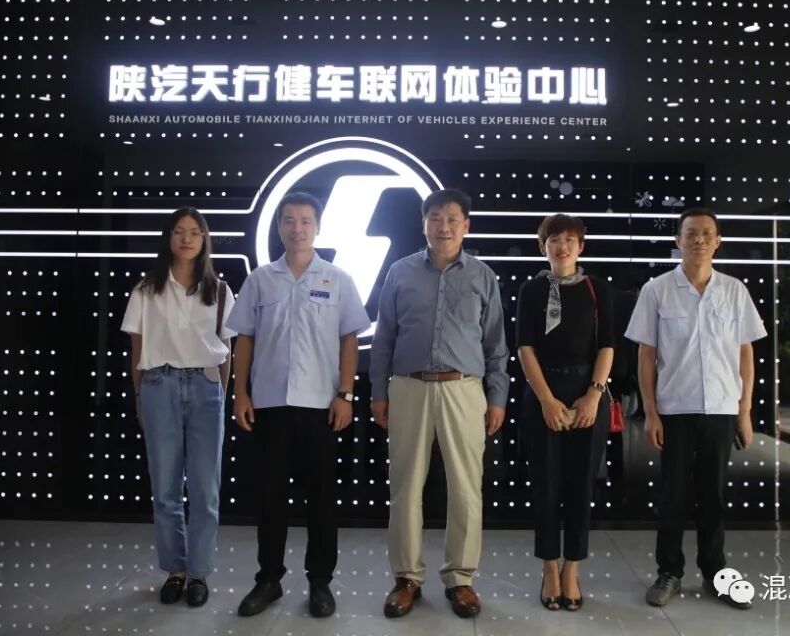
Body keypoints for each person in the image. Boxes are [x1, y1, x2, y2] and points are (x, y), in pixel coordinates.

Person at [228, 191, 369, 619]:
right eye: (289, 221)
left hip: (321, 407)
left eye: (306, 221)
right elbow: (244, 339)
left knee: (321, 501)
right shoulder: (260, 279)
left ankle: (320, 582)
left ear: (318, 228)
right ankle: (268, 579)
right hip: (269, 405)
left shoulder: (337, 279)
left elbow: (349, 341)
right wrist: (240, 393)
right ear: (279, 227)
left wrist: (345, 395)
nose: (298, 228)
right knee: (270, 499)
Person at [369, 188, 508, 619]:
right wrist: (378, 392)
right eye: (435, 218)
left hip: (463, 390)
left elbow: (496, 346)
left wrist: (497, 397)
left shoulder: (483, 276)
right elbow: (384, 338)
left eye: (451, 219)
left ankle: (460, 578)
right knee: (405, 487)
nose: (443, 227)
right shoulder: (400, 272)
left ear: (466, 225)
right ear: (423, 223)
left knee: (465, 488)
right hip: (408, 388)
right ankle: (406, 578)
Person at [624, 207, 767, 609]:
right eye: (691, 233)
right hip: (675, 409)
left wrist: (744, 411)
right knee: (673, 495)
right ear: (678, 241)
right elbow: (646, 355)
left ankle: (715, 572)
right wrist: (651, 412)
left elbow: (745, 354)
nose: (699, 240)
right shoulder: (657, 290)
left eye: (707, 234)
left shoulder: (734, 291)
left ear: (717, 241)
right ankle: (669, 571)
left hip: (721, 408)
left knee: (713, 496)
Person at [121, 206, 235, 608]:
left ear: (204, 240)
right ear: (168, 238)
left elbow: (227, 349)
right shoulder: (145, 289)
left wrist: (220, 394)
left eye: (194, 232)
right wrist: (140, 396)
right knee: (165, 488)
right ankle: (175, 570)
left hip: (205, 386)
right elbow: (136, 349)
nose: (186, 239)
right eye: (179, 231)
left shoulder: (219, 290)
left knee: (205, 489)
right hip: (159, 385)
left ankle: (199, 573)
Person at [516, 213, 614, 612]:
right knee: (546, 485)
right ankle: (549, 568)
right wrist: (546, 400)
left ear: (581, 247)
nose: (562, 246)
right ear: (543, 246)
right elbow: (525, 348)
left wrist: (593, 395)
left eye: (570, 240)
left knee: (580, 485)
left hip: (588, 395)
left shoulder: (597, 288)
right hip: (544, 395)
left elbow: (607, 346)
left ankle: (572, 567)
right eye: (554, 239)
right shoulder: (531, 289)